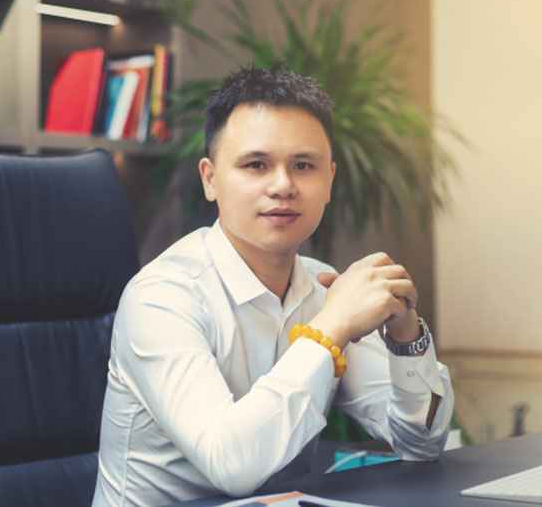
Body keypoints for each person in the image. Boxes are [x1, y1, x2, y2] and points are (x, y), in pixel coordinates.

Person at [91, 66, 455, 507]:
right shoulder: (161, 297)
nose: (283, 185)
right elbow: (231, 465)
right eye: (256, 165)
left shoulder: (323, 288)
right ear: (210, 179)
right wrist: (330, 329)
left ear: (329, 180)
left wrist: (406, 338)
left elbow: (420, 443)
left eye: (303, 166)